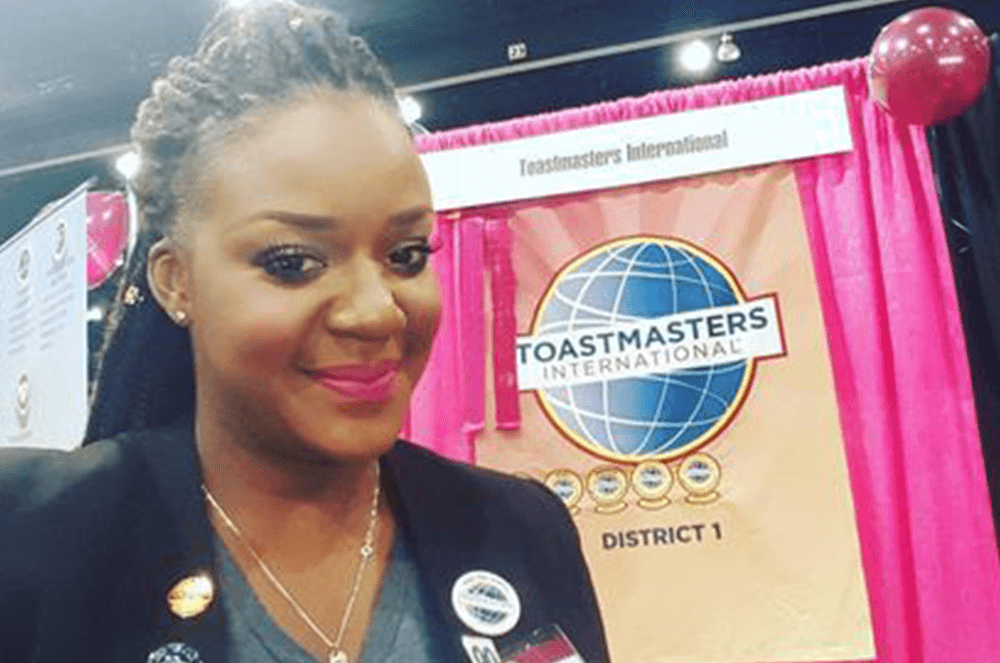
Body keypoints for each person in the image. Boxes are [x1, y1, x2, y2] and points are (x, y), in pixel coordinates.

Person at [0, 2, 610, 662]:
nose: (375, 311)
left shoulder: (520, 528)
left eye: (405, 253)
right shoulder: (34, 537)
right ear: (176, 281)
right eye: (293, 263)